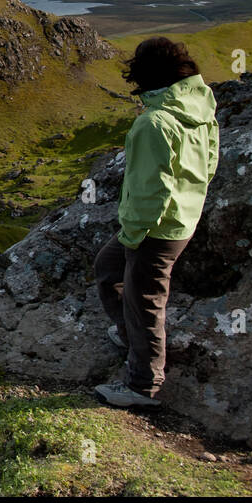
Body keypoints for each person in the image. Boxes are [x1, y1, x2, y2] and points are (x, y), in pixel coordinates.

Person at [93, 37, 219, 408]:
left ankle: (141, 385)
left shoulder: (155, 123)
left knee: (144, 302)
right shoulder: (199, 107)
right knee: (108, 268)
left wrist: (134, 235)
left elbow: (151, 191)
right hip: (179, 218)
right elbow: (209, 161)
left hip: (156, 229)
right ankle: (130, 336)